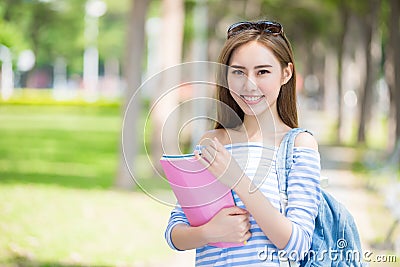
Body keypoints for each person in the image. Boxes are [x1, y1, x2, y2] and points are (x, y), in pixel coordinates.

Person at [164, 20, 321, 266]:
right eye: (238, 72)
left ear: (286, 73)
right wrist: (209, 232)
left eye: (263, 72)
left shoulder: (299, 145)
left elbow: (298, 246)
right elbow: (174, 232)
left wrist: (237, 179)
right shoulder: (211, 142)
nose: (249, 84)